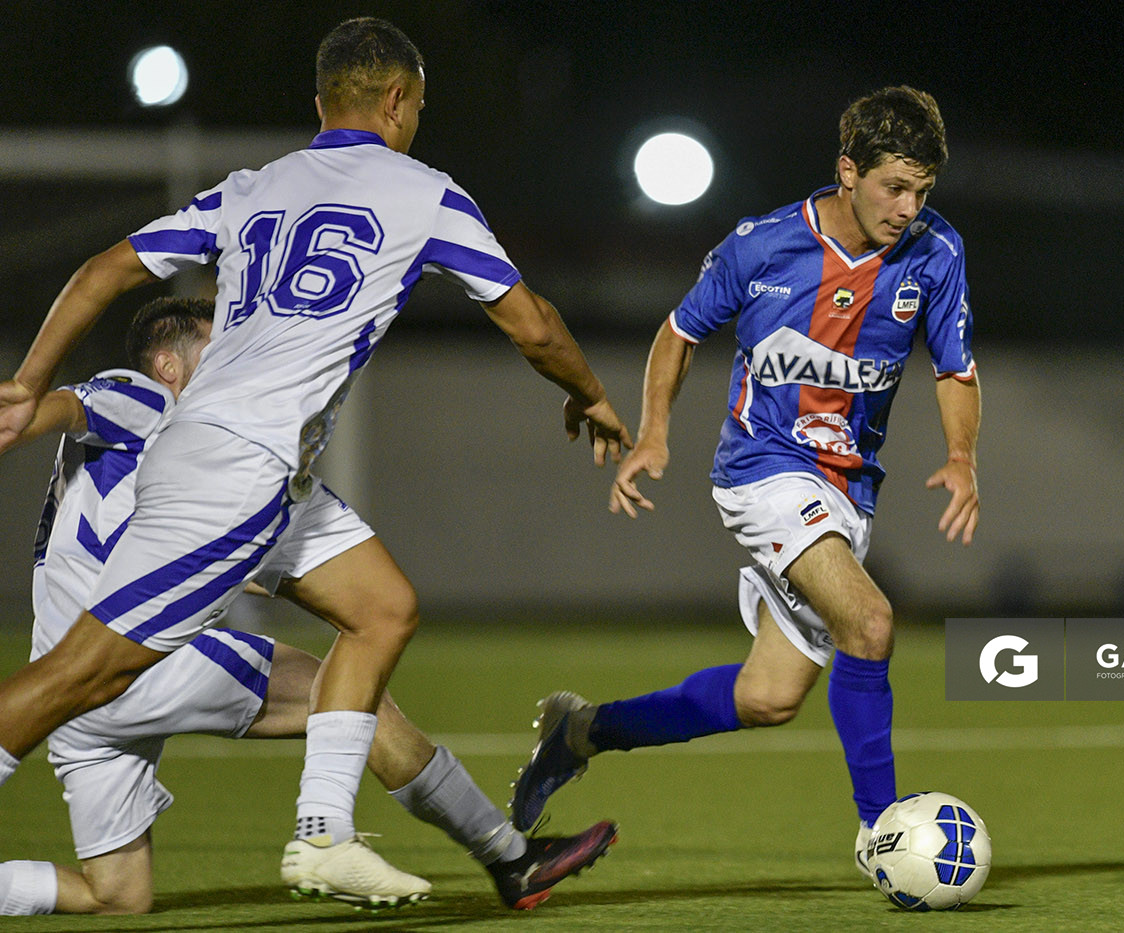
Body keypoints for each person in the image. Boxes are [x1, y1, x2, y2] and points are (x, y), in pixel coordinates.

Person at [0, 16, 629, 905]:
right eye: (417, 106)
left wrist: (29, 380)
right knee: (80, 673)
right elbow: (533, 323)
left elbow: (107, 268)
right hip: (233, 466)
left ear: (321, 102)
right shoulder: (426, 192)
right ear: (400, 100)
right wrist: (592, 394)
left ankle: (332, 833)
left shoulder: (254, 185)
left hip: (249, 462)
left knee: (382, 608)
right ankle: (348, 839)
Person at [0, 298, 616, 915]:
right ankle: (509, 857)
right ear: (167, 364)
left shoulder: (190, 469)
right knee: (349, 699)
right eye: (220, 347)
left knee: (115, 895)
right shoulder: (146, 397)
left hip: (68, 700)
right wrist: (27, 402)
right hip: (131, 663)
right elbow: (68, 405)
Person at [509, 86, 980, 882]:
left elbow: (957, 368)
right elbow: (680, 331)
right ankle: (884, 838)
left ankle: (583, 731)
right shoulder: (761, 246)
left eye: (922, 191)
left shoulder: (936, 252)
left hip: (849, 490)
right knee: (870, 623)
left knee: (768, 696)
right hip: (762, 469)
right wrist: (655, 429)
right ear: (847, 172)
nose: (908, 207)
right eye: (894, 187)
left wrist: (962, 455)